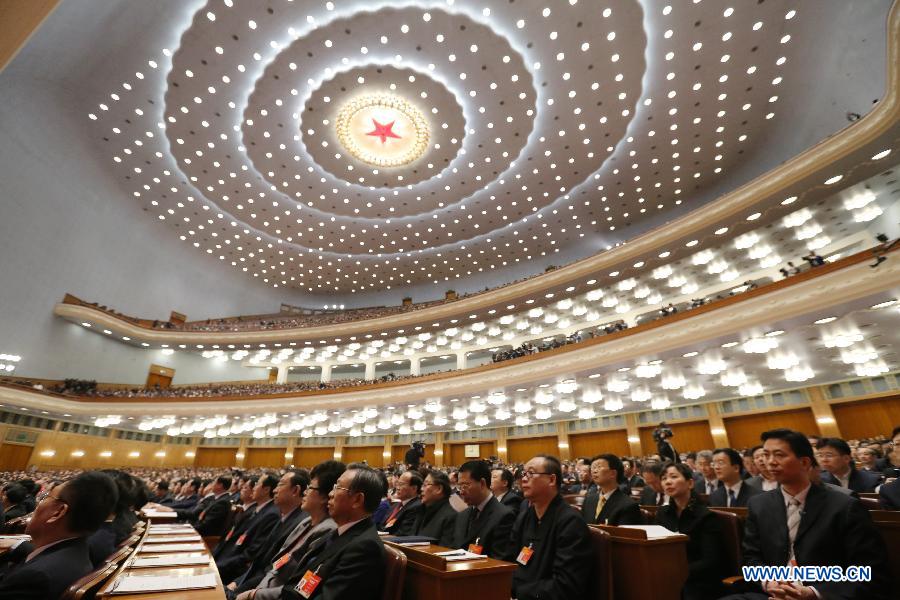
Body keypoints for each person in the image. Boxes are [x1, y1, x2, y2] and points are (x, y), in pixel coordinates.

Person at [720, 428, 891, 600]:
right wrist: (769, 582)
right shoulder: (759, 504)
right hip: (773, 594)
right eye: (766, 455)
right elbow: (751, 556)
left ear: (804, 462)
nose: (769, 462)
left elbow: (870, 569)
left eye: (779, 455)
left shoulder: (845, 506)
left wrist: (813, 593)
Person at [0, 471, 119, 600]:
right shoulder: (77, 552)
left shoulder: (34, 577)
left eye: (46, 497)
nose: (38, 503)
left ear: (58, 512)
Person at [234, 462, 344, 600]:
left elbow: (300, 585)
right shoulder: (305, 522)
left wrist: (253, 594)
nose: (305, 491)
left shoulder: (328, 530)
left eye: (310, 488)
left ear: (324, 497)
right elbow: (275, 566)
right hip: (262, 588)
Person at [279, 465, 386, 600]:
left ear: (357, 500)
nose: (330, 493)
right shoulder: (340, 532)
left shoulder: (365, 548)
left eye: (338, 488)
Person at [506, 454, 591, 600]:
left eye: (531, 473)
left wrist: (518, 593)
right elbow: (510, 562)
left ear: (551, 480)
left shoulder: (570, 522)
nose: (524, 478)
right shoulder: (524, 517)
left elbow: (566, 585)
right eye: (523, 474)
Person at [227, 470, 309, 593]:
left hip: (262, 589)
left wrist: (238, 590)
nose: (275, 490)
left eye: (280, 485)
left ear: (295, 491)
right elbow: (259, 561)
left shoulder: (299, 524)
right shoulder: (284, 517)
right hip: (250, 581)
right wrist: (237, 582)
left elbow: (273, 569)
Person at [655, 462, 726, 600]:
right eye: (664, 479)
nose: (668, 482)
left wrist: (677, 571)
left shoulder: (705, 516)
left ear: (690, 483)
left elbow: (710, 561)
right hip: (668, 574)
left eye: (673, 477)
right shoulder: (662, 513)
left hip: (699, 580)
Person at [216, 473, 280, 584]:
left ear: (266, 489)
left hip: (234, 570)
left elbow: (251, 552)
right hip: (227, 560)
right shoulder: (256, 509)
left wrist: (219, 566)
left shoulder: (271, 514)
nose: (254, 488)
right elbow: (235, 540)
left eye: (257, 485)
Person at [452, 460, 514, 559]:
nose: (461, 492)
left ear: (482, 483)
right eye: (460, 486)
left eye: (465, 485)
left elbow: (499, 562)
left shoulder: (503, 516)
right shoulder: (462, 515)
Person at [582, 453, 641, 525]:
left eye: (598, 467)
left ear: (613, 473)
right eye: (593, 468)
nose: (594, 471)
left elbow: (624, 535)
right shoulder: (589, 500)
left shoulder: (628, 505)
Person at [413, 470, 457, 546]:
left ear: (439, 489)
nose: (421, 489)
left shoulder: (450, 517)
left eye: (425, 485)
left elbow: (444, 550)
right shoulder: (421, 510)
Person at [378, 470, 422, 536]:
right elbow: (382, 526)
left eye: (401, 484)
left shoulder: (416, 506)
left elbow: (403, 534)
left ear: (414, 488)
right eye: (397, 483)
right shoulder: (396, 505)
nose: (397, 487)